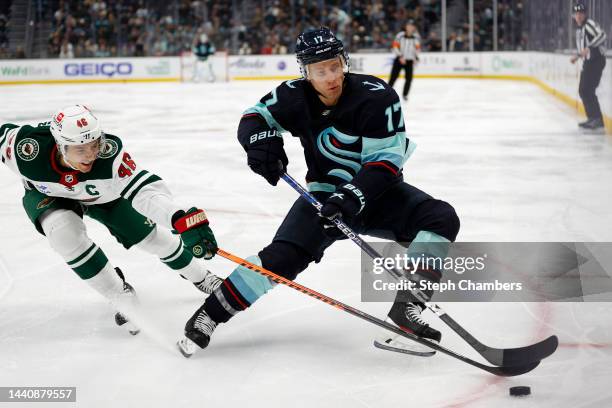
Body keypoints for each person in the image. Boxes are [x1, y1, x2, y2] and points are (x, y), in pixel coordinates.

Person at [178, 28, 459, 357]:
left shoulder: (377, 96)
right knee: (279, 260)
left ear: (345, 62)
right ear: (305, 72)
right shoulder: (292, 96)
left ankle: (404, 313)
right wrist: (260, 144)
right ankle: (208, 315)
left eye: (335, 65)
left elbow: (385, 163)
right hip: (323, 198)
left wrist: (350, 198)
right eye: (320, 70)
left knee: (439, 218)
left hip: (378, 194)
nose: (331, 76)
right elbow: (253, 118)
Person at [0, 105, 222, 334]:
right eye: (80, 148)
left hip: (105, 197)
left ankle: (201, 276)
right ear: (60, 146)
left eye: (94, 144)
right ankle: (121, 295)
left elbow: (144, 190)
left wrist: (179, 218)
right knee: (63, 235)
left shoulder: (110, 156)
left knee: (152, 240)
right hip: (50, 196)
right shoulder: (26, 149)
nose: (90, 154)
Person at [570, 3, 607, 131]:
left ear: (585, 14)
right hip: (589, 62)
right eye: (576, 14)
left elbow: (602, 35)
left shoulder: (589, 24)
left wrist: (589, 48)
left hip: (596, 60)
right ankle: (593, 118)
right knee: (583, 90)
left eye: (581, 13)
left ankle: (597, 119)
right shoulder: (579, 29)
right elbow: (584, 49)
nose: (578, 16)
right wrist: (578, 56)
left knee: (587, 89)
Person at [388, 20, 421, 101]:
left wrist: (416, 57)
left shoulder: (416, 37)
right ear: (406, 27)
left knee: (409, 79)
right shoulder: (400, 35)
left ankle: (405, 95)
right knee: (393, 77)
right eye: (408, 26)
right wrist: (400, 56)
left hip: (409, 61)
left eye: (412, 26)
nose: (410, 27)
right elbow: (394, 46)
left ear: (414, 28)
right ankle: (387, 92)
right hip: (399, 59)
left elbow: (417, 48)